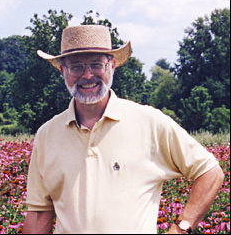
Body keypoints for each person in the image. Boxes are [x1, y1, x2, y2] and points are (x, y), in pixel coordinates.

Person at [23, 25, 224, 234]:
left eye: (96, 65)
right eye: (76, 67)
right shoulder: (47, 135)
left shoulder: (149, 122)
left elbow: (210, 171)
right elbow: (39, 213)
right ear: (63, 70)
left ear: (112, 65)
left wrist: (181, 227)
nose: (87, 75)